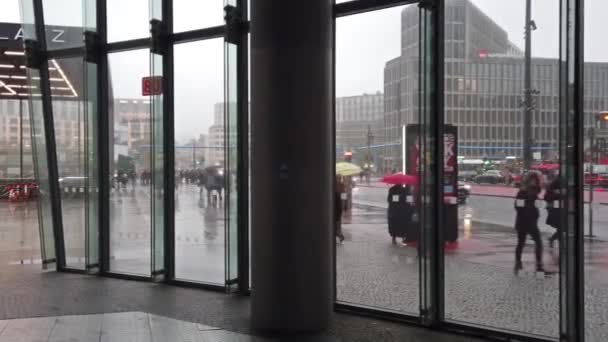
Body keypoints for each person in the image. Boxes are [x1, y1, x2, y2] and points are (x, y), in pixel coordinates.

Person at [514, 171, 544, 274]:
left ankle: (539, 263)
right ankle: (518, 261)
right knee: (521, 243)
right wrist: (528, 211)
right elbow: (518, 207)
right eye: (532, 180)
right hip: (523, 222)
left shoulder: (536, 192)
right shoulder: (522, 192)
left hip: (532, 222)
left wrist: (536, 207)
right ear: (528, 181)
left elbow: (537, 205)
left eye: (536, 180)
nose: (534, 182)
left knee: (539, 242)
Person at [544, 176, 561, 248]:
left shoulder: (557, 185)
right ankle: (553, 239)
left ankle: (553, 239)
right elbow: (547, 197)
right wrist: (558, 194)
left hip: (559, 208)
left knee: (561, 227)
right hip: (554, 209)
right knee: (561, 227)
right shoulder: (552, 186)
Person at [335, 177, 345, 243]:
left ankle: (340, 235)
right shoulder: (341, 185)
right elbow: (344, 195)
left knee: (337, 225)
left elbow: (343, 195)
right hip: (338, 209)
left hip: (336, 209)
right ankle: (340, 235)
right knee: (337, 224)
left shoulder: (340, 185)